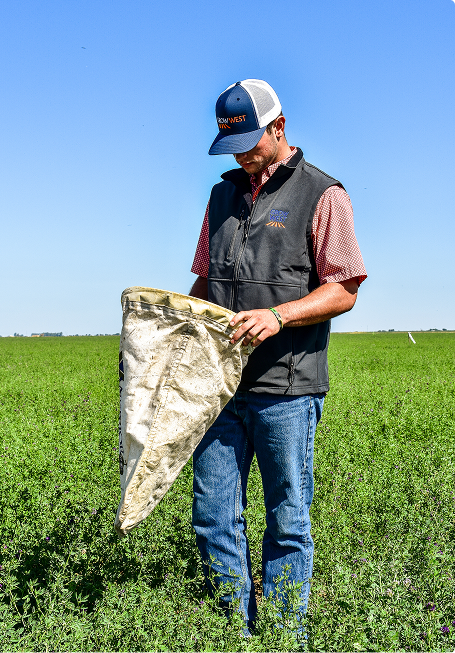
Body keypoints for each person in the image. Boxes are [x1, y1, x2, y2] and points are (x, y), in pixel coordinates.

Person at [189, 79, 367, 630]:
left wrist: (279, 316)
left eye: (250, 142)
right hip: (220, 390)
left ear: (279, 128)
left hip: (286, 389)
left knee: (287, 521)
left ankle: (285, 635)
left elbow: (345, 287)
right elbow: (202, 283)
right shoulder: (221, 195)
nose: (242, 155)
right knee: (213, 518)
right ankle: (232, 631)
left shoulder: (323, 194)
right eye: (232, 145)